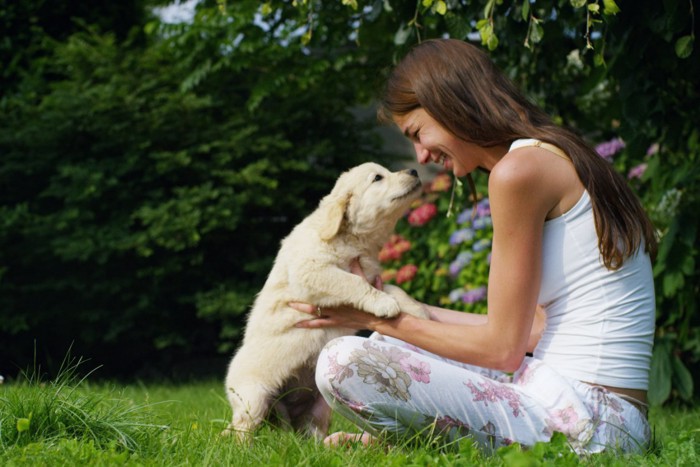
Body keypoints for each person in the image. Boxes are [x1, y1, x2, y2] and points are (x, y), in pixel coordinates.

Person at [290, 38, 657, 455]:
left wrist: (370, 315)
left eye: (418, 132)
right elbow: (536, 330)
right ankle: (413, 440)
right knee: (393, 344)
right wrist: (396, 305)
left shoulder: (518, 173)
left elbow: (502, 350)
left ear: (449, 103)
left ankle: (411, 441)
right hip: (606, 414)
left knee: (343, 362)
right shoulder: (548, 155)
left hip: (591, 422)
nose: (421, 155)